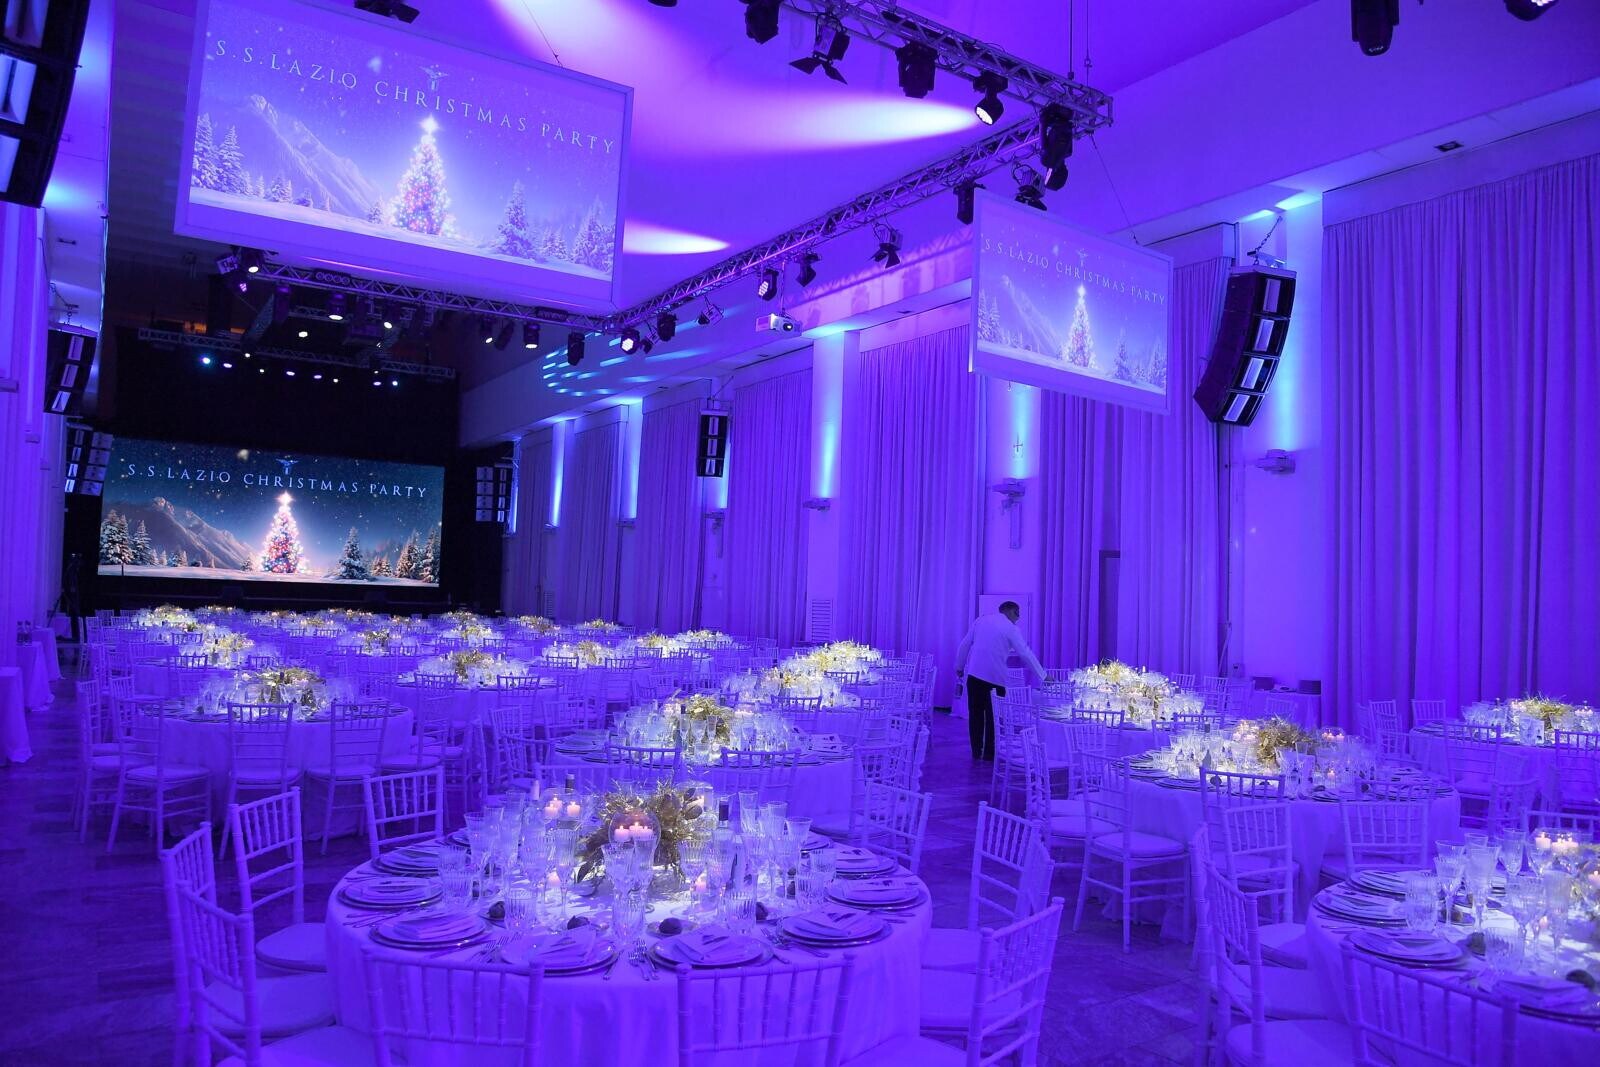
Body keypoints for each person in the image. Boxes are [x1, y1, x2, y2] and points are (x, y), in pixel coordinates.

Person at [954, 601, 1046, 760]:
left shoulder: (981, 620)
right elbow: (1025, 653)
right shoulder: (1011, 628)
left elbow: (965, 644)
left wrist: (959, 666)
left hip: (974, 676)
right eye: (1017, 614)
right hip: (996, 680)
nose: (1018, 618)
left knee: (975, 715)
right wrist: (1043, 676)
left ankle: (976, 752)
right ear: (1011, 611)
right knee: (994, 718)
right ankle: (989, 754)